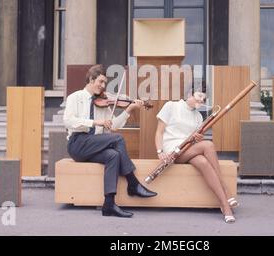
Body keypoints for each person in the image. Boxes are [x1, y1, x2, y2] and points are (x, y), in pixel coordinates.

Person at [64, 65, 157, 218]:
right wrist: (95, 122)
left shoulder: (103, 102)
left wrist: (129, 109)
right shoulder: (75, 97)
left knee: (113, 155)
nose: (102, 86)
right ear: (91, 79)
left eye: (104, 83)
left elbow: (114, 126)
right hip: (77, 143)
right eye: (100, 82)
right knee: (118, 140)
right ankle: (132, 183)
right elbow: (68, 121)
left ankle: (109, 204)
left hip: (94, 145)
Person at [154, 83, 238, 223]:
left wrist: (197, 140)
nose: (201, 101)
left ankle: (225, 206)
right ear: (189, 94)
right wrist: (159, 151)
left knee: (203, 162)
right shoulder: (171, 106)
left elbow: (194, 142)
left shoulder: (199, 117)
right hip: (172, 151)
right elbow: (159, 132)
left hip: (188, 150)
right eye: (199, 96)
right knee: (209, 145)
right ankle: (225, 190)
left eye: (204, 99)